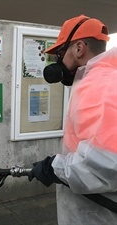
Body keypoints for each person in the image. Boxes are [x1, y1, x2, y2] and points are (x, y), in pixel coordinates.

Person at [28, 15, 117, 225]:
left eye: (60, 53)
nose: (58, 62)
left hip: (98, 213)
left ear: (79, 48)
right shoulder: (105, 79)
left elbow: (104, 166)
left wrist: (53, 168)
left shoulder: (98, 87)